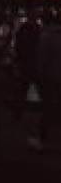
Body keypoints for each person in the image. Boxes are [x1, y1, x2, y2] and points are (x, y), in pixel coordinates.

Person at [32, 12, 61, 152]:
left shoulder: (46, 36)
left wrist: (39, 75)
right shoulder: (51, 36)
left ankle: (43, 137)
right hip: (54, 75)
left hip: (50, 76)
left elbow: (41, 59)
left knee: (48, 106)